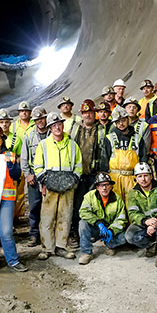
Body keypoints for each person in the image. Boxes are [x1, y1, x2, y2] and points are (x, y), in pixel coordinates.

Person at [32, 112, 82, 260]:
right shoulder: (44, 145)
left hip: (68, 186)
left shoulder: (72, 145)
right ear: (50, 128)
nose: (57, 127)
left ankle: (61, 246)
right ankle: (47, 248)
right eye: (54, 125)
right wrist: (45, 181)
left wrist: (74, 180)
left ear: (62, 125)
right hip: (50, 186)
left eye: (59, 124)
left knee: (65, 216)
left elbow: (78, 165)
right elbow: (38, 166)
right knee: (47, 217)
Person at [0, 126, 27, 273]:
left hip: (6, 198)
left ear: (3, 139)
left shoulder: (9, 154)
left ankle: (13, 261)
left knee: (6, 232)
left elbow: (16, 176)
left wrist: (10, 165)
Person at [125, 163, 157, 268]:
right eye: (139, 176)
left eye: (145, 175)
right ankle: (152, 245)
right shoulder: (133, 193)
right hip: (146, 224)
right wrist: (145, 221)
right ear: (136, 178)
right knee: (129, 236)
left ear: (151, 175)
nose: (143, 179)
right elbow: (132, 213)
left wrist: (156, 220)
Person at [69, 99, 102, 247]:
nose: (88, 115)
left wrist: (101, 173)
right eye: (85, 112)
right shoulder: (75, 130)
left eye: (90, 112)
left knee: (95, 205)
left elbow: (105, 152)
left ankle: (93, 232)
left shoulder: (100, 130)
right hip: (78, 175)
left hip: (94, 174)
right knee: (77, 205)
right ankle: (77, 232)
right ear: (81, 114)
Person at [77, 172, 128, 264]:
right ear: (97, 187)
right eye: (101, 185)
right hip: (96, 228)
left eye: (107, 185)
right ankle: (86, 253)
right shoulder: (89, 196)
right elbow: (83, 212)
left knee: (125, 237)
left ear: (111, 186)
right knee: (82, 223)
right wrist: (98, 223)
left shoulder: (117, 199)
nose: (104, 188)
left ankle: (109, 245)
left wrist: (111, 230)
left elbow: (121, 219)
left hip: (109, 230)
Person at [99, 106, 148, 200]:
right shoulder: (109, 138)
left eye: (123, 120)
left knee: (133, 205)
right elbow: (104, 161)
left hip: (132, 178)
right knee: (115, 206)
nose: (121, 124)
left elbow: (143, 158)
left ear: (128, 120)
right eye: (117, 122)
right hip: (114, 179)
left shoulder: (137, 138)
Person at [20, 106, 49, 247]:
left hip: (49, 176)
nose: (40, 121)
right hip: (34, 176)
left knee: (49, 206)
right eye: (37, 119)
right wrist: (27, 174)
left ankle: (48, 235)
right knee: (34, 206)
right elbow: (24, 158)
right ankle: (34, 234)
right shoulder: (30, 135)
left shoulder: (52, 133)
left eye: (42, 118)